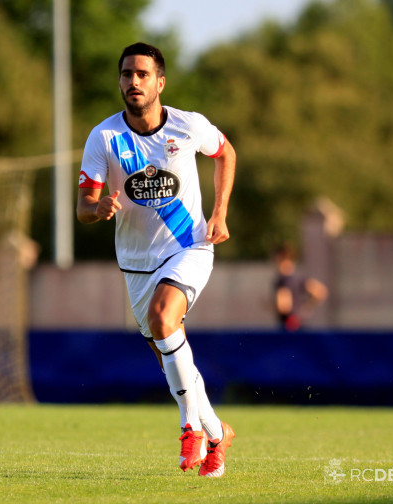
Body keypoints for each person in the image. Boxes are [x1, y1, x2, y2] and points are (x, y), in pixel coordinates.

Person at [76, 42, 237, 477]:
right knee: (169, 354)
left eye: (143, 74)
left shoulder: (188, 126)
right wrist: (100, 209)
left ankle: (191, 430)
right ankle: (217, 432)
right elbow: (83, 206)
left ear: (160, 82)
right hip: (135, 264)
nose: (133, 82)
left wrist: (219, 212)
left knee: (165, 319)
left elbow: (226, 154)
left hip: (189, 247)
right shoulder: (104, 137)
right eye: (127, 74)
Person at [273, 243, 328, 331]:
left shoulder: (282, 280)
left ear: (280, 257)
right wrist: (306, 309)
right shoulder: (298, 278)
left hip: (288, 327)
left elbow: (283, 306)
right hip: (299, 325)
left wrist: (270, 305)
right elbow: (321, 291)